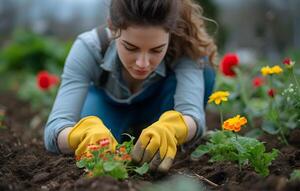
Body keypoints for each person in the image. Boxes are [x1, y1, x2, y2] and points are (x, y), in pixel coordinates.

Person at [44, 0, 217, 172]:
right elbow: (56, 128)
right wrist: (81, 134)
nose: (142, 63)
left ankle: (156, 137)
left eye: (156, 50)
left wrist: (173, 128)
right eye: (130, 47)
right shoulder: (90, 47)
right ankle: (131, 133)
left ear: (170, 34)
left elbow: (193, 115)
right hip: (109, 105)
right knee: (97, 148)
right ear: (114, 29)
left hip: (159, 108)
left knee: (205, 71)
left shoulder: (183, 46)